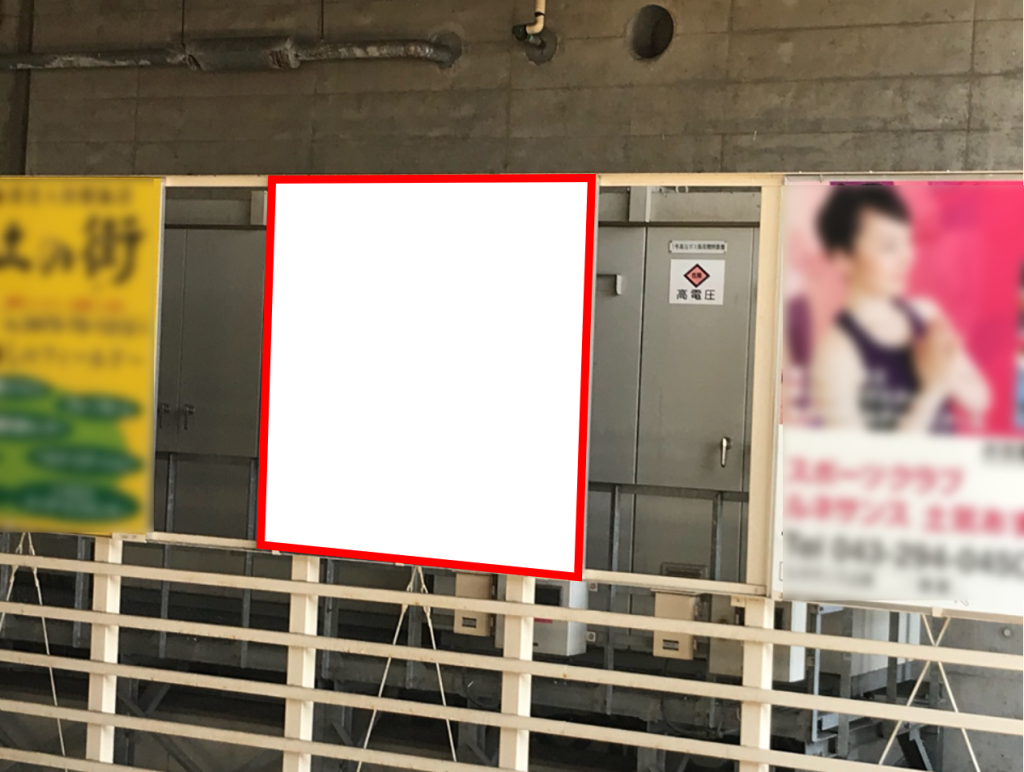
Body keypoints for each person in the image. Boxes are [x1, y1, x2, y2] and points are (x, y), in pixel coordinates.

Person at [810, 184, 990, 433]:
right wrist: (934, 387)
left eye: (908, 242)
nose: (906, 257)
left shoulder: (926, 314)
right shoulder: (836, 354)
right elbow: (855, 457)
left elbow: (980, 398)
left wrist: (945, 371)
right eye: (889, 246)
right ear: (844, 259)